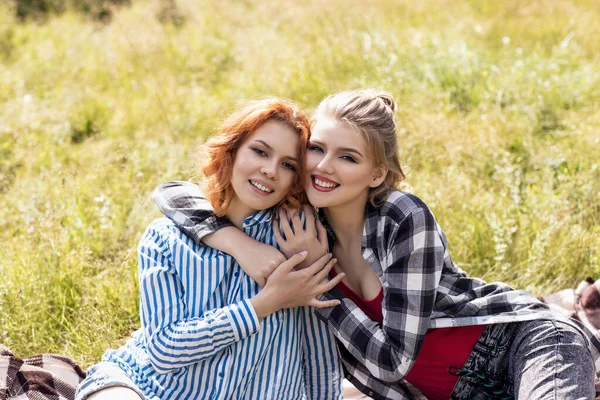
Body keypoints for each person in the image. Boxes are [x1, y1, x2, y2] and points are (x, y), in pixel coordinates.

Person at [155, 89, 600, 400]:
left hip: (521, 346)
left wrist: (319, 279)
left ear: (377, 174)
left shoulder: (401, 218)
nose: (323, 167)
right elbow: (171, 194)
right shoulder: (297, 219)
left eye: (347, 157)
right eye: (316, 149)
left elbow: (393, 363)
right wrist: (234, 241)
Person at [75, 98, 345, 400]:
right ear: (232, 151)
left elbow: (317, 348)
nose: (270, 170)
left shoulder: (296, 240)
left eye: (288, 165)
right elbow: (164, 350)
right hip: (146, 386)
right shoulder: (166, 237)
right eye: (259, 151)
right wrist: (265, 303)